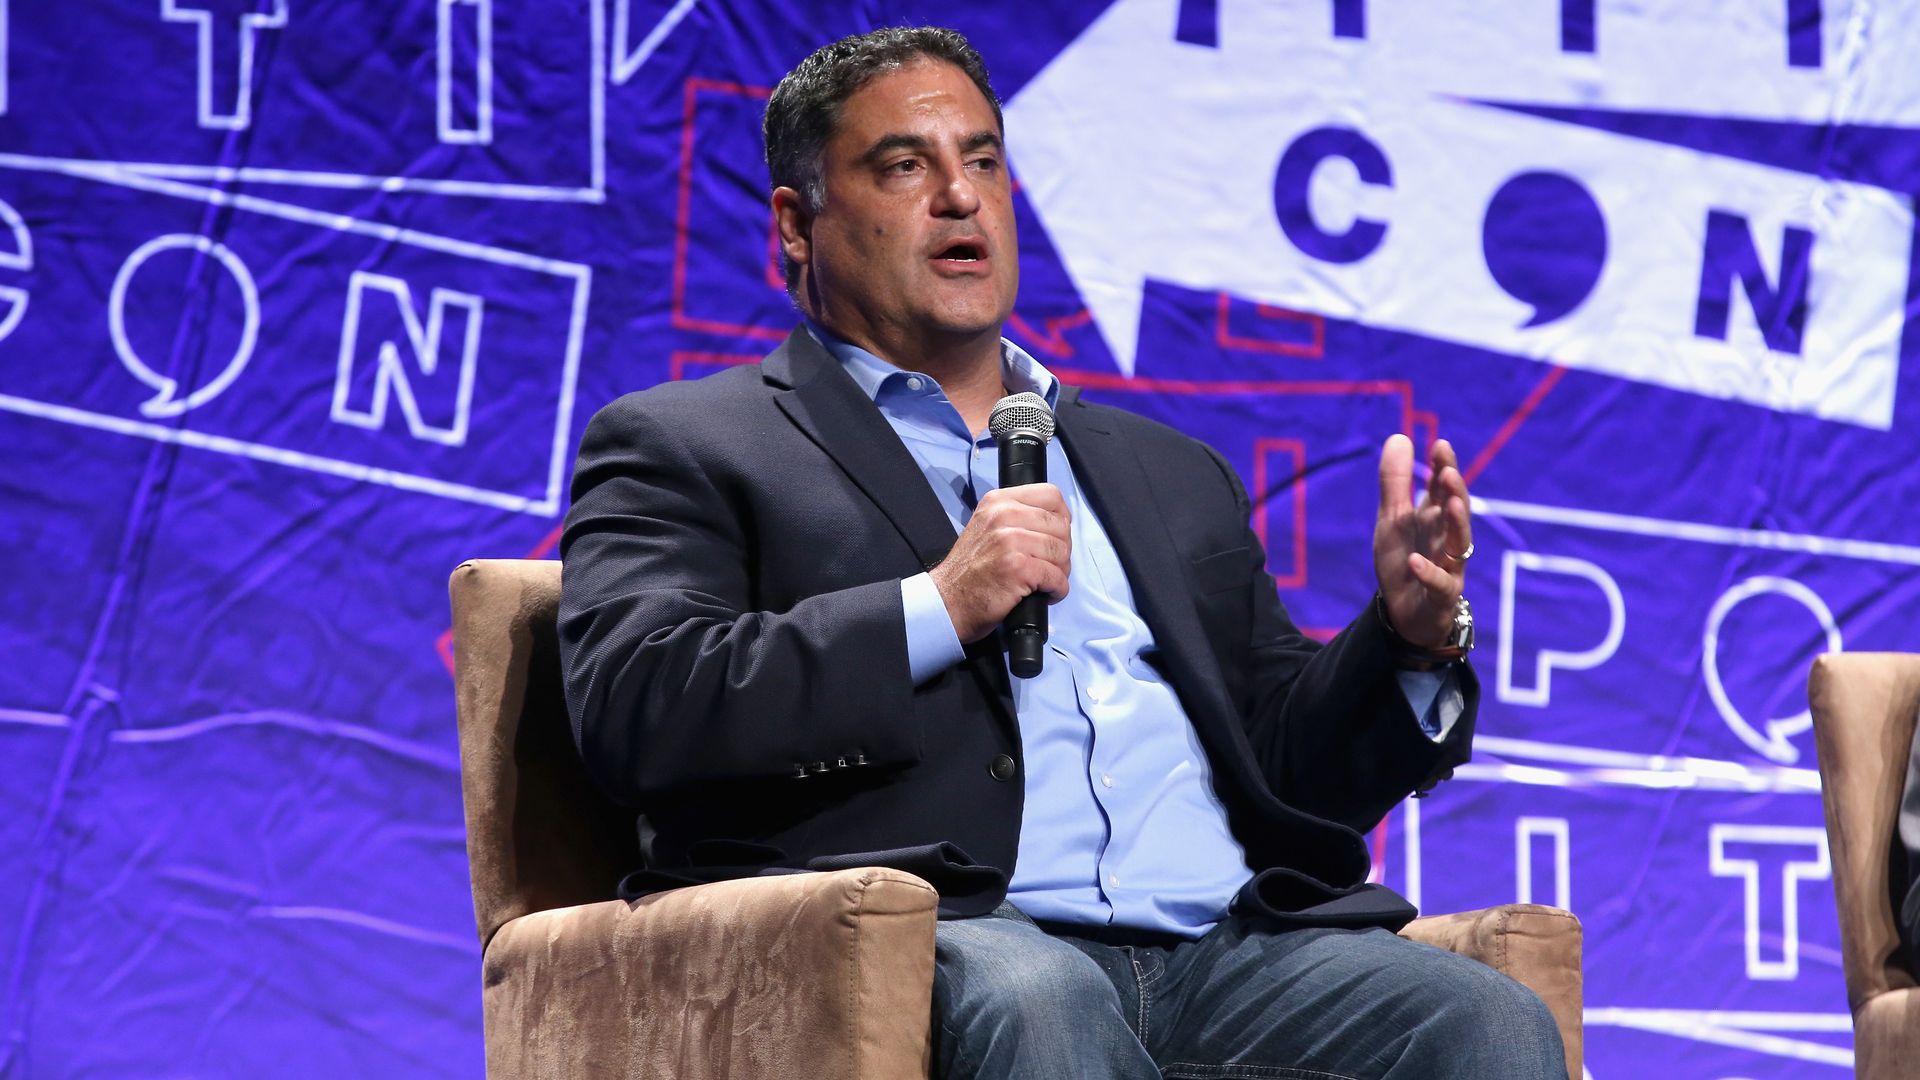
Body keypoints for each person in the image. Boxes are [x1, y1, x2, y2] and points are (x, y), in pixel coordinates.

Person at [559, 26, 1564, 1078]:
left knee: (1483, 1022)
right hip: (951, 936)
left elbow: (1288, 768)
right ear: (796, 224)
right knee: (1046, 1002)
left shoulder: (1166, 470)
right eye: (905, 165)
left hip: (1226, 948)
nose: (960, 197)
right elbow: (640, 704)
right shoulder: (693, 443)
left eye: (983, 160)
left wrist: (1403, 644)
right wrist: (940, 605)